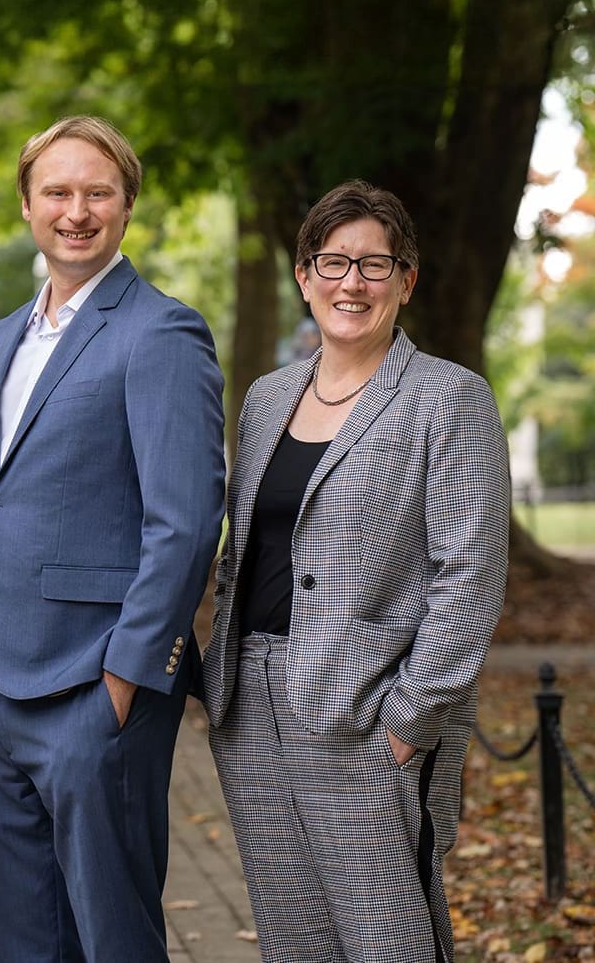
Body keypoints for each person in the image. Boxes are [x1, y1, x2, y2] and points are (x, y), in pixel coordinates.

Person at [0, 115, 226, 961]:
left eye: (98, 192)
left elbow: (187, 521)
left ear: (128, 206)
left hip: (93, 690)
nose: (77, 210)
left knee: (113, 938)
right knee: (17, 940)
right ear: (26, 205)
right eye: (57, 191)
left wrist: (128, 679)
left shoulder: (161, 332)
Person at [202, 181, 509, 962]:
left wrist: (412, 717)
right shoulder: (269, 398)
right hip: (252, 703)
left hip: (367, 708)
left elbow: (470, 569)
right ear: (304, 276)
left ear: (407, 281)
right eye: (333, 262)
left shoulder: (448, 397)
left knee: (387, 939)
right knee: (294, 938)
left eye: (375, 265)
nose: (351, 284)